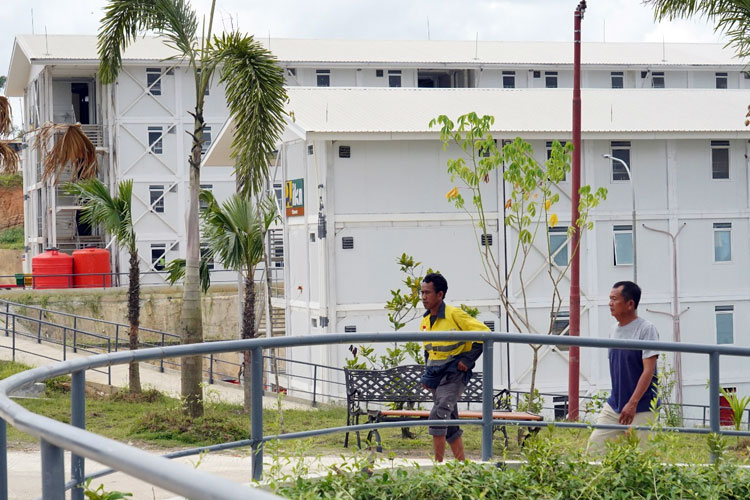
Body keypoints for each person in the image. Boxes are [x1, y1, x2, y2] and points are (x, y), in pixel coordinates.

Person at [419, 272, 488, 462]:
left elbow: (484, 333)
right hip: (437, 376)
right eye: (422, 293)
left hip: (454, 375)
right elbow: (430, 351)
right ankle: (462, 465)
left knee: (438, 415)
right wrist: (428, 376)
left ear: (440, 295)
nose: (424, 297)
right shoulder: (425, 321)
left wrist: (467, 360)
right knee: (451, 425)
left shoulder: (454, 314)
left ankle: (438, 466)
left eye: (428, 293)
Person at [587, 280, 659, 454]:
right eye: (609, 299)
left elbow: (648, 371)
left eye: (614, 299)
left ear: (630, 304)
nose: (610, 303)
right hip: (615, 405)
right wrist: (624, 404)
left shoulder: (646, 329)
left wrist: (632, 403)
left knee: (644, 460)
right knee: (594, 449)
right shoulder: (613, 329)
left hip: (641, 406)